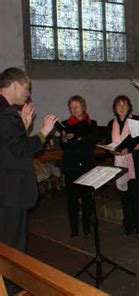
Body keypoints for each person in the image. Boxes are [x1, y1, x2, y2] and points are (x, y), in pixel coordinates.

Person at [0, 67, 58, 251]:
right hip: (11, 191)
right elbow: (21, 149)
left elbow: (8, 147)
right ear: (15, 86)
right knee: (12, 247)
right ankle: (10, 281)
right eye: (26, 88)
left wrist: (24, 127)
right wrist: (44, 132)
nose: (28, 94)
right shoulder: (7, 114)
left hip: (4, 189)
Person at [108, 95, 139, 237]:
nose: (121, 107)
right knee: (124, 197)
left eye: (124, 104)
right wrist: (113, 150)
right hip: (119, 164)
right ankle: (128, 225)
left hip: (135, 163)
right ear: (114, 108)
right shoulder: (111, 124)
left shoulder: (137, 120)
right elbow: (110, 144)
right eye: (118, 105)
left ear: (129, 106)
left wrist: (133, 148)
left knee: (136, 196)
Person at [60, 95, 98, 238]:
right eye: (71, 107)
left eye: (77, 106)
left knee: (88, 199)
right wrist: (64, 138)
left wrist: (78, 138)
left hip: (87, 166)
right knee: (72, 200)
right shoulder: (66, 124)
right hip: (72, 167)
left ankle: (87, 227)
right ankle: (74, 229)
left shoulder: (92, 123)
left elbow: (93, 140)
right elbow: (64, 145)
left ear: (83, 107)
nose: (74, 109)